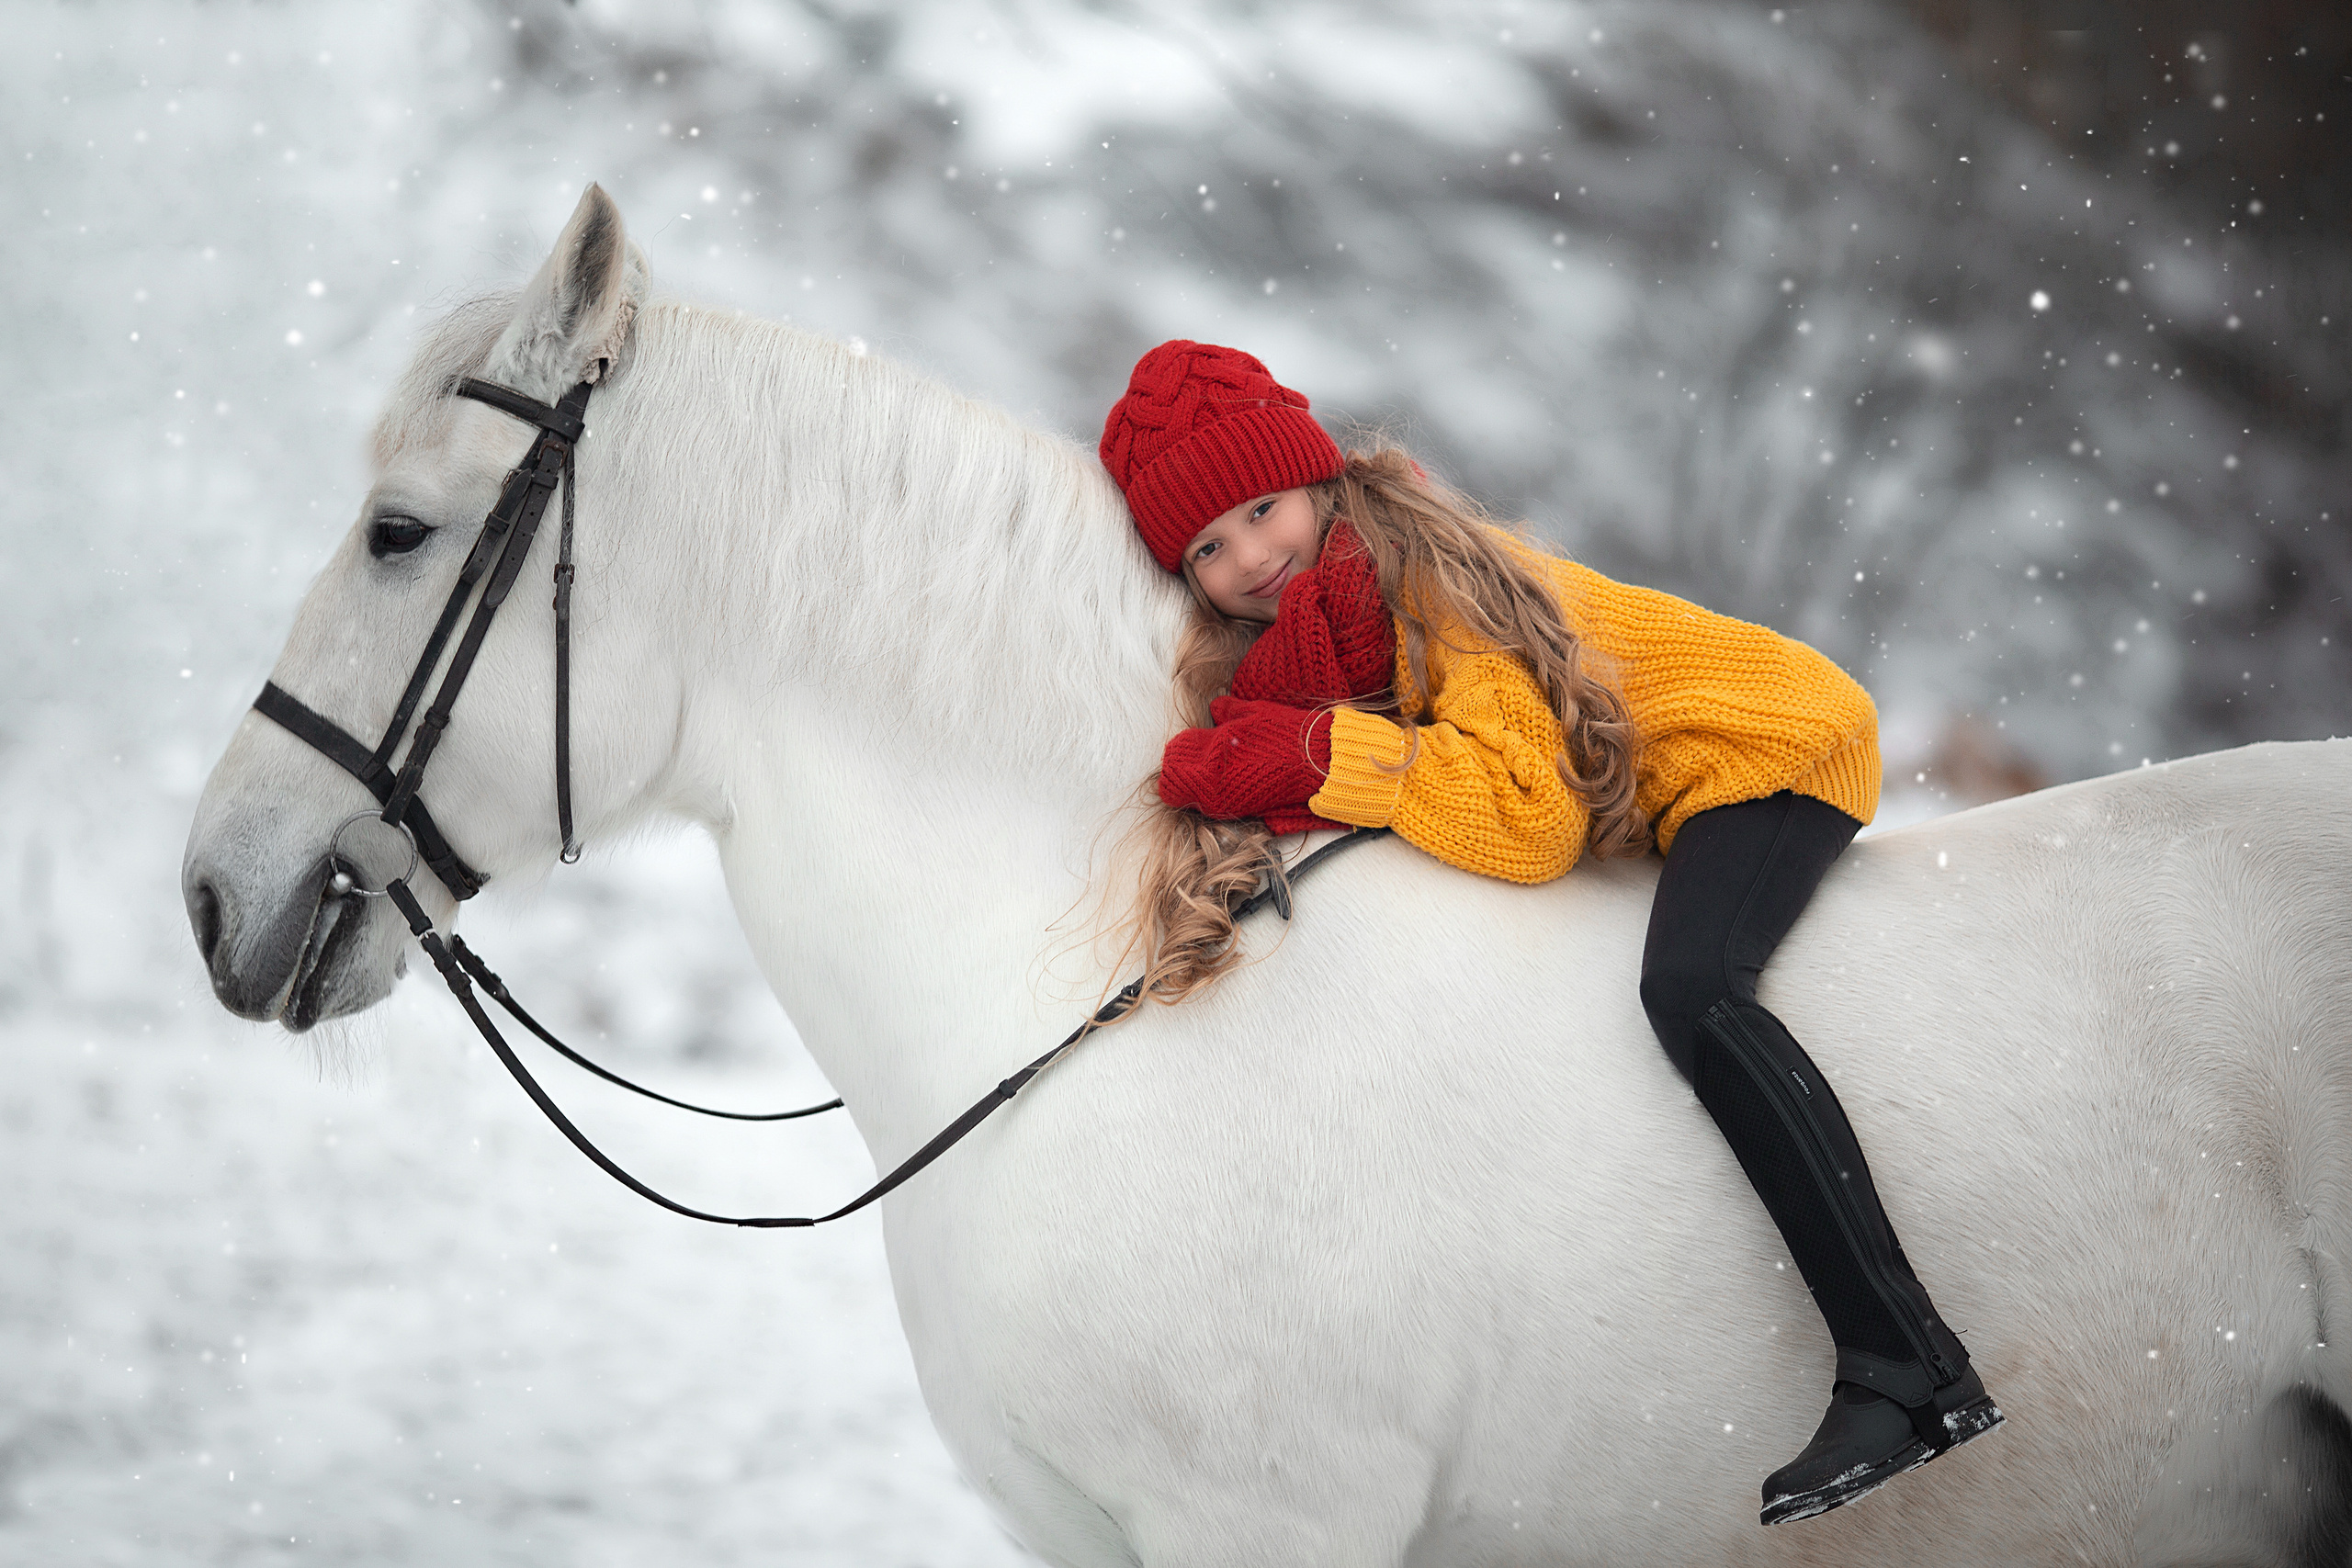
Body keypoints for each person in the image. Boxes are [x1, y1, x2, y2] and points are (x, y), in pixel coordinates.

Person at [1095, 339, 2004, 1528]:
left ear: (1318, 479)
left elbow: (1525, 822)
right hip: (1652, 797)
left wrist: (1323, 756)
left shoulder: (1428, 583)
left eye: (1262, 509)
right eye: (1208, 547)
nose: (1251, 555)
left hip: (1763, 748)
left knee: (1692, 990)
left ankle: (1908, 1365)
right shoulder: (1319, 633)